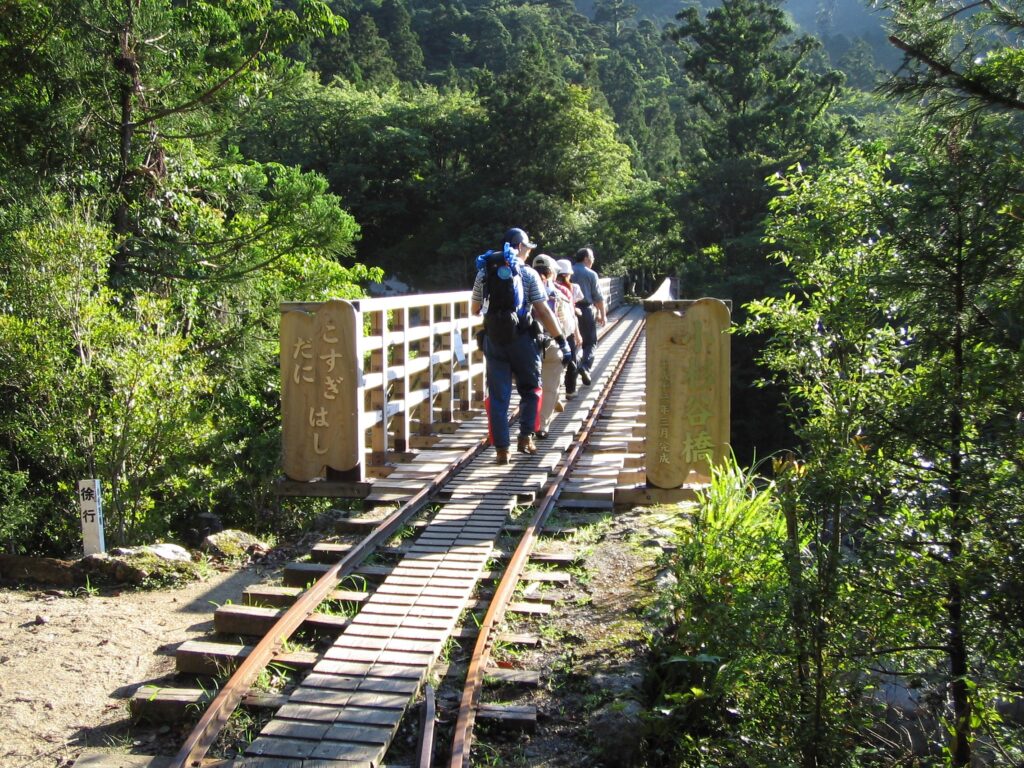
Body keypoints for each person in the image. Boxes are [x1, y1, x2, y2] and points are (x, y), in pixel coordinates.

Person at [472, 228, 572, 465]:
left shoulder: (485, 271)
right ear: (518, 247)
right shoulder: (528, 274)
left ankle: (501, 450)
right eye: (527, 247)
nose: (528, 252)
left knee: (498, 397)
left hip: (494, 340)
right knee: (530, 390)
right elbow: (543, 310)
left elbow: (474, 308)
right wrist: (561, 340)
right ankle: (526, 438)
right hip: (523, 340)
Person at [531, 254, 576, 439]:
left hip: (528, 343)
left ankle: (528, 424)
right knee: (550, 386)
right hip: (552, 342)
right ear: (552, 272)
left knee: (531, 387)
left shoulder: (523, 287)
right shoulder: (561, 292)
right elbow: (568, 324)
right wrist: (565, 342)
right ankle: (542, 426)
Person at [571, 247, 606, 386]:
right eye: (592, 257)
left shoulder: (568, 271)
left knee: (572, 342)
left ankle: (571, 375)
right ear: (586, 258)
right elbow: (598, 297)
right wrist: (602, 314)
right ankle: (584, 366)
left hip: (569, 310)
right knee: (590, 341)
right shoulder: (591, 274)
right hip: (585, 310)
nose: (593, 260)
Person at [555, 258, 584, 399]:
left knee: (551, 363)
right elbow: (571, 314)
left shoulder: (545, 286)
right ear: (567, 274)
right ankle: (570, 391)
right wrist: (577, 334)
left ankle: (553, 393)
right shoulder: (568, 290)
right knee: (571, 360)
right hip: (567, 331)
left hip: (549, 331)